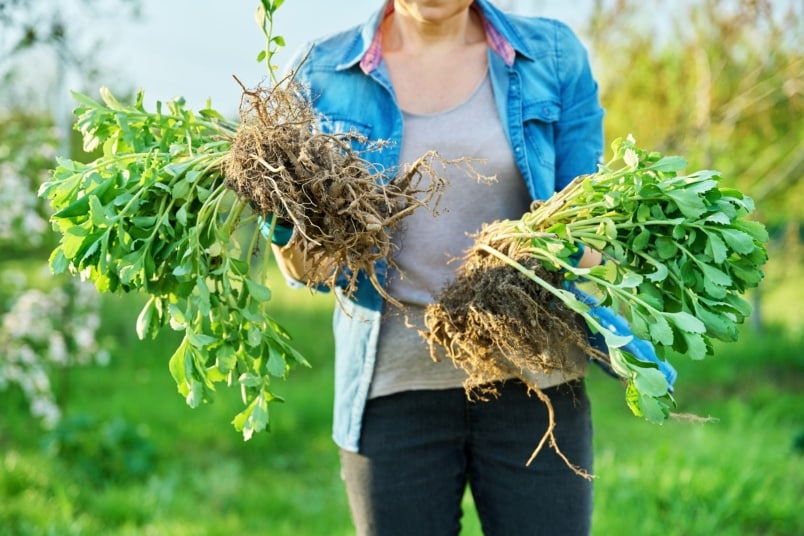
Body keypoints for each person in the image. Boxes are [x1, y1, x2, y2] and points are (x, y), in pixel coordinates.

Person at [265, 1, 671, 534]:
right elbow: (306, 265)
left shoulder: (549, 56)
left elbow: (591, 225)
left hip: (536, 376)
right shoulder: (321, 72)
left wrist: (542, 250)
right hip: (394, 386)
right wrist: (290, 233)